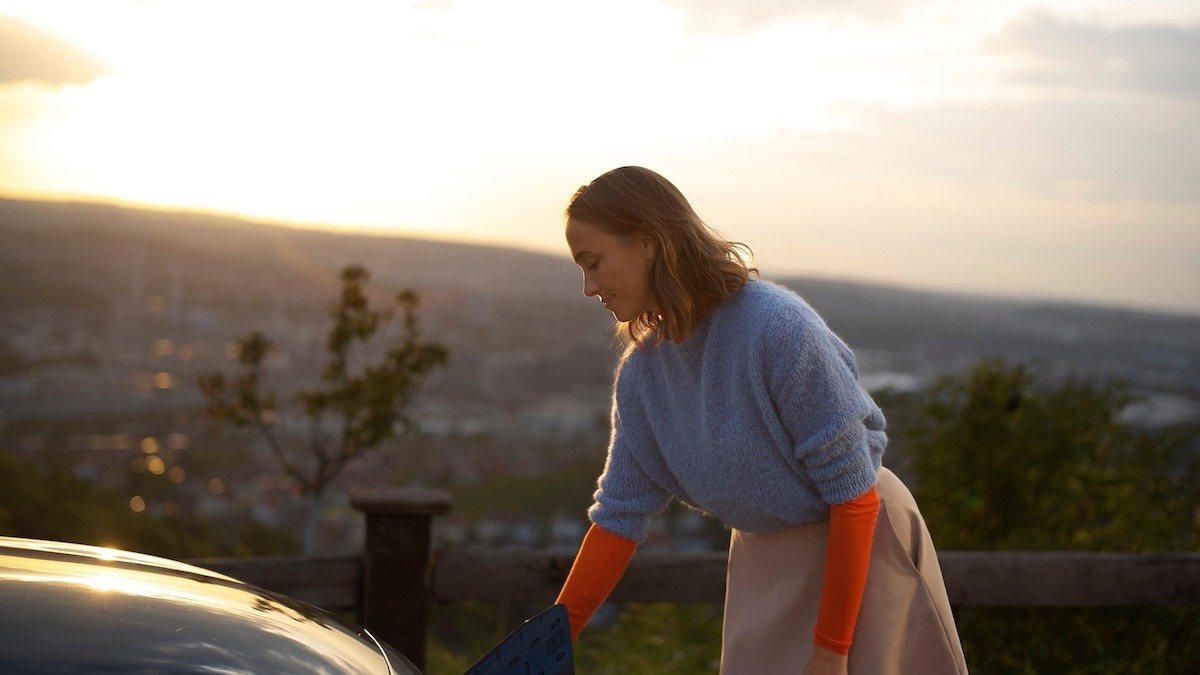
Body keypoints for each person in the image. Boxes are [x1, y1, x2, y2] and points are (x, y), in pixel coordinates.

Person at [554, 166, 969, 675]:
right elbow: (618, 517)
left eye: (593, 263)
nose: (588, 287)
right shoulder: (642, 376)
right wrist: (552, 644)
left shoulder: (775, 326)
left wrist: (831, 650)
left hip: (860, 549)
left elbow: (854, 497)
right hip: (762, 562)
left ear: (647, 243)